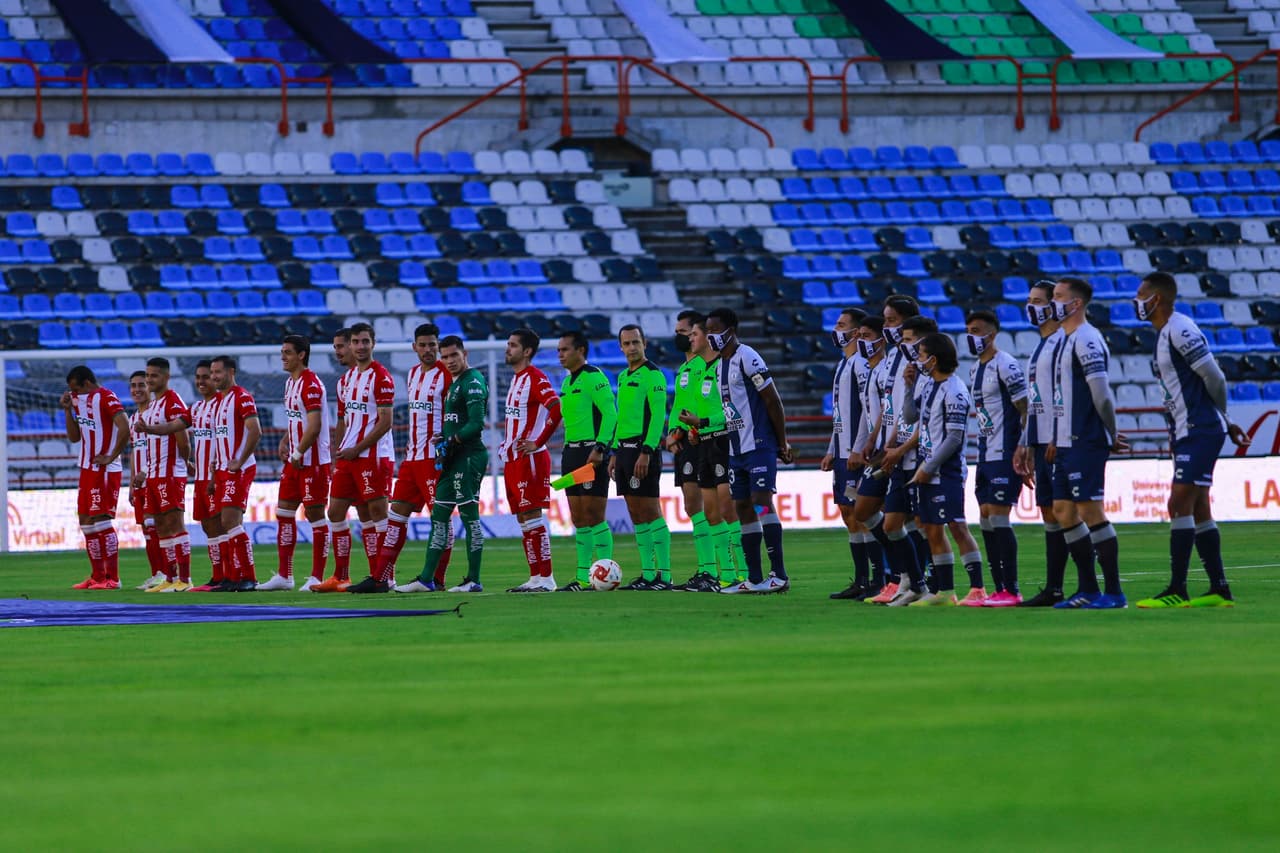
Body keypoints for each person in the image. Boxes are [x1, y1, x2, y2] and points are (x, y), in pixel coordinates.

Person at [1135, 272, 1251, 608]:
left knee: (1178, 503)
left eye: (1142, 294)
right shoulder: (1162, 334)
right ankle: (1219, 589)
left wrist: (1224, 418)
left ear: (1157, 298)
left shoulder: (1179, 329)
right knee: (1199, 506)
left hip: (1199, 428)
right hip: (1188, 429)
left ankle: (1177, 588)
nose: (1137, 300)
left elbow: (1213, 375)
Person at [1047, 278, 1129, 609]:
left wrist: (1110, 432)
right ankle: (1088, 589)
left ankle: (1114, 593)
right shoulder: (1064, 340)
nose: (1052, 302)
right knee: (1064, 511)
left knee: (1090, 511)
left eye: (1058, 297)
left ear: (1076, 303)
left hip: (1085, 439)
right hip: (1066, 441)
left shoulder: (1087, 340)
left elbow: (1101, 393)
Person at [358, 323, 453, 593]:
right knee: (396, 514)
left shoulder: (447, 375)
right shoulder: (412, 374)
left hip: (436, 459)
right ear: (414, 347)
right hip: (411, 460)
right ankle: (381, 578)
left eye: (432, 345)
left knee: (441, 518)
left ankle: (437, 578)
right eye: (422, 345)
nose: (427, 350)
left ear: (438, 346)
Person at [706, 308, 794, 594]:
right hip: (736, 450)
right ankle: (754, 579)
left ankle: (779, 574)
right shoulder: (719, 365)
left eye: (715, 330)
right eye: (708, 332)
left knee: (761, 501)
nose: (711, 337)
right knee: (742, 506)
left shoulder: (748, 357)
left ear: (731, 330)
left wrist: (782, 442)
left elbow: (772, 401)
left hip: (759, 445)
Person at [395, 336, 489, 593]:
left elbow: (477, 423)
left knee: (470, 517)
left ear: (464, 354)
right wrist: (444, 439)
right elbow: (456, 420)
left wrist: (452, 439)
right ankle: (427, 578)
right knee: (439, 516)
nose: (448, 361)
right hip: (452, 457)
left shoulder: (472, 381)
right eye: (445, 357)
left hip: (469, 457)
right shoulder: (456, 382)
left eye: (453, 356)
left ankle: (474, 579)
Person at [899, 333, 984, 606]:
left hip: (946, 471)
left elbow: (954, 438)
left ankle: (977, 587)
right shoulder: (929, 386)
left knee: (957, 526)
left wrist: (929, 466)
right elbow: (910, 416)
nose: (919, 360)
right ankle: (945, 592)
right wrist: (910, 386)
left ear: (933, 360)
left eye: (922, 355)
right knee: (932, 528)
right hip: (928, 467)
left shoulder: (955, 391)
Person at [863, 307, 936, 604]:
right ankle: (909, 580)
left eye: (905, 335)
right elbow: (901, 414)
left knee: (925, 523)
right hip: (898, 452)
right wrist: (886, 444)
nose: (894, 335)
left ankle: (927, 583)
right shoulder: (898, 364)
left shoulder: (932, 377)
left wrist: (899, 448)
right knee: (889, 521)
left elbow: (925, 422)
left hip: (919, 456)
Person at [319, 322, 394, 593]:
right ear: (350, 345)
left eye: (365, 341)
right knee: (336, 511)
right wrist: (339, 452)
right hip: (348, 457)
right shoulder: (345, 381)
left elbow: (385, 422)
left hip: (373, 456)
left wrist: (357, 447)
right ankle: (341, 576)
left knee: (375, 513)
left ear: (372, 344)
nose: (360, 346)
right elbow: (342, 419)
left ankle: (383, 575)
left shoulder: (382, 377)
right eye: (356, 342)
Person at [965, 310, 1028, 607]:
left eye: (976, 330)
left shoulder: (1007, 365)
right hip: (985, 454)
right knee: (986, 518)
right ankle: (998, 587)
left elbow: (1025, 407)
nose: (971, 336)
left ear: (991, 334)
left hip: (1006, 452)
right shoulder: (975, 369)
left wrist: (1024, 446)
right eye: (968, 330)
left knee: (999, 516)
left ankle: (1012, 589)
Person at [1014, 281, 1070, 607]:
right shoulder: (1040, 347)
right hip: (1039, 441)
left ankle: (1087, 584)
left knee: (1066, 514)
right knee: (1049, 513)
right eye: (1029, 301)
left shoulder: (1062, 342)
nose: (1031, 306)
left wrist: (1056, 435)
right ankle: (1055, 587)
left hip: (1056, 442)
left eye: (1038, 301)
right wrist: (1025, 442)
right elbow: (1037, 402)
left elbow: (1063, 397)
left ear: (1053, 305)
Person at [823, 308, 886, 601]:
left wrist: (858, 449)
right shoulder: (844, 364)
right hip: (843, 451)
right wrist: (831, 448)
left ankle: (877, 578)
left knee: (862, 512)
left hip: (856, 452)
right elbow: (841, 414)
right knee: (848, 514)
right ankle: (862, 579)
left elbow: (866, 410)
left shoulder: (862, 364)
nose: (836, 329)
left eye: (842, 325)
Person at [261, 335, 332, 592]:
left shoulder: (311, 384)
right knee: (284, 513)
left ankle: (317, 576)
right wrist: (285, 440)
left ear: (301, 355)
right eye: (282, 352)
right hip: (295, 458)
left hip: (312, 462)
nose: (283, 356)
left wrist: (298, 451)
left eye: (287, 352)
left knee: (315, 516)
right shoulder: (291, 383)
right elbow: (298, 420)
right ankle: (284, 575)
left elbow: (314, 427)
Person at [678, 316, 743, 591]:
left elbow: (732, 409)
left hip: (723, 442)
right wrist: (694, 429)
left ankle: (747, 573)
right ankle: (726, 575)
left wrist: (703, 423)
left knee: (730, 510)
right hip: (704, 443)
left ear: (707, 337)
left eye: (694, 334)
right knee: (713, 513)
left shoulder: (722, 368)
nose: (690, 339)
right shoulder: (701, 370)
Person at [500, 329, 563, 593]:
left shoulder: (536, 378)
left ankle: (547, 578)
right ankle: (535, 577)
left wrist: (538, 441)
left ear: (527, 351)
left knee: (533, 517)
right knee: (524, 520)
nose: (508, 349)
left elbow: (557, 409)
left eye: (513, 345)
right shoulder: (517, 380)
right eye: (508, 344)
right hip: (513, 459)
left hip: (531, 458)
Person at [553, 330, 618, 592]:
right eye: (558, 350)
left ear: (581, 351)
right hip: (571, 454)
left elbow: (611, 414)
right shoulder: (568, 383)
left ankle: (607, 572)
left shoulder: (594, 377)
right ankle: (582, 578)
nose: (560, 354)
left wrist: (601, 448)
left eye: (565, 349)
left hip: (591, 453)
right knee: (578, 517)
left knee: (594, 515)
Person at [610, 324, 673, 590]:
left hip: (641, 450)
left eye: (636, 342)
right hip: (623, 450)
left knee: (651, 510)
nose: (632, 348)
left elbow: (658, 416)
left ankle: (665, 576)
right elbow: (622, 417)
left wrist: (647, 451)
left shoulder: (653, 375)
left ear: (644, 343)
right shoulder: (623, 376)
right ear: (621, 347)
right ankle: (648, 574)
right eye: (627, 343)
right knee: (636, 512)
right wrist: (614, 452)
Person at [62, 365, 130, 590]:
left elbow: (124, 426)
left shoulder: (106, 397)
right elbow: (73, 438)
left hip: (105, 469)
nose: (74, 393)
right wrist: (66, 411)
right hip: (87, 467)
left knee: (101, 520)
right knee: (85, 521)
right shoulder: (78, 400)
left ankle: (114, 578)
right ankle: (98, 576)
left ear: (87, 384)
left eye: (76, 389)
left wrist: (111, 456)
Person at [665, 310, 718, 590]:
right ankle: (706, 569)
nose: (679, 337)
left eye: (683, 332)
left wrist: (684, 431)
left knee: (702, 505)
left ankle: (712, 571)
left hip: (699, 438)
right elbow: (679, 406)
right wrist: (671, 434)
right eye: (677, 332)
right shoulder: (684, 369)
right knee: (691, 505)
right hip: (684, 441)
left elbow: (700, 405)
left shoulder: (702, 365)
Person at [135, 357, 193, 592]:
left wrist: (184, 461)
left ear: (166, 377)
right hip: (154, 474)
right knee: (160, 525)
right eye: (147, 375)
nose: (149, 380)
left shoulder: (172, 401)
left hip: (170, 473)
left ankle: (185, 579)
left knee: (175, 523)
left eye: (154, 375)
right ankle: (170, 578)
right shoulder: (153, 405)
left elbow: (182, 436)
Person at [207, 356, 261, 592]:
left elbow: (255, 430)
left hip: (239, 469)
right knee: (226, 523)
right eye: (212, 373)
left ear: (231, 372)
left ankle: (248, 576)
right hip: (222, 470)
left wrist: (239, 459)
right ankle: (232, 576)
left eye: (218, 372)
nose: (214, 377)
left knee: (230, 520)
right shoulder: (219, 401)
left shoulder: (242, 397)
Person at [185, 361, 229, 592]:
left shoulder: (223, 405)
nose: (202, 381)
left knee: (220, 525)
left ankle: (227, 576)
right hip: (200, 477)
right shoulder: (196, 409)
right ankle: (217, 576)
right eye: (199, 377)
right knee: (207, 526)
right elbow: (176, 426)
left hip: (216, 475)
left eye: (207, 377)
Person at [126, 371, 166, 589]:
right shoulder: (133, 419)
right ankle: (157, 573)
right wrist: (131, 481)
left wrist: (147, 471)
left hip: (155, 476)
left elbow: (163, 448)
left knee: (157, 526)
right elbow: (135, 450)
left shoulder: (156, 415)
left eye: (141, 385)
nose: (137, 390)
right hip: (140, 482)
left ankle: (168, 573)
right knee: (147, 529)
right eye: (133, 386)